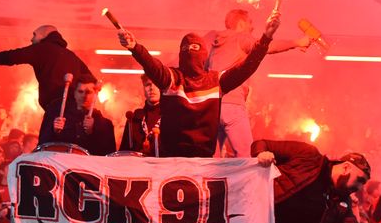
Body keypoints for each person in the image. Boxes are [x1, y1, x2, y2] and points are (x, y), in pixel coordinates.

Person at [117, 12, 280, 157]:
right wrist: (135, 48)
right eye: (186, 48)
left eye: (194, 48)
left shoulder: (214, 81)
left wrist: (266, 37)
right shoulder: (173, 78)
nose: (190, 51)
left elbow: (245, 67)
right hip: (175, 161)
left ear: (203, 54)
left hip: (198, 164)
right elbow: (152, 65)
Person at [204, 9, 312, 157]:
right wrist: (297, 42)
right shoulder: (241, 37)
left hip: (211, 106)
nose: (252, 27)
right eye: (250, 23)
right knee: (247, 156)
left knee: (212, 160)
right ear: (241, 23)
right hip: (233, 105)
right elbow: (265, 46)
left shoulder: (213, 41)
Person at [253, 139, 376, 223]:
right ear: (345, 168)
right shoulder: (308, 156)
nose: (359, 187)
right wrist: (262, 154)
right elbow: (261, 143)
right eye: (360, 180)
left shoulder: (342, 204)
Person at [0, 24, 95, 112]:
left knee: (49, 140)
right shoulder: (71, 55)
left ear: (44, 34)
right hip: (74, 108)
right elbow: (91, 79)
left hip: (54, 109)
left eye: (34, 34)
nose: (31, 39)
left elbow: (11, 57)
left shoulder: (41, 49)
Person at [38, 74, 116, 156]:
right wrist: (54, 131)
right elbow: (42, 147)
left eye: (88, 92)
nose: (84, 96)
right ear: (74, 93)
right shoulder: (56, 114)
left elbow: (108, 157)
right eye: (80, 91)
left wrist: (93, 131)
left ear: (95, 95)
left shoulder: (105, 125)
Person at [119, 75, 161, 156]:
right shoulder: (133, 119)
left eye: (156, 84)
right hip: (137, 167)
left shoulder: (169, 117)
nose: (152, 88)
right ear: (143, 89)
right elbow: (123, 153)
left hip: (163, 167)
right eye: (147, 85)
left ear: (162, 88)